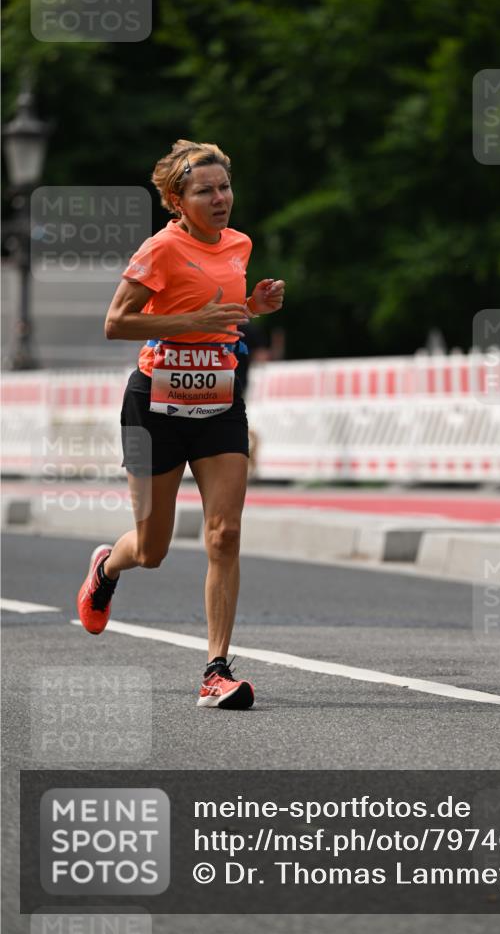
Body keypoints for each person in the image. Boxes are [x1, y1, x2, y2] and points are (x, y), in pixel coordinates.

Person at [75, 139, 284, 709]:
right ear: (177, 200)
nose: (220, 199)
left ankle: (217, 669)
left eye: (224, 188)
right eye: (205, 191)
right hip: (155, 407)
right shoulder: (160, 250)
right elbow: (116, 323)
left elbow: (224, 310)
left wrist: (256, 306)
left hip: (218, 400)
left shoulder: (239, 244)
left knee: (225, 534)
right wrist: (196, 319)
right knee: (152, 548)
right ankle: (106, 567)